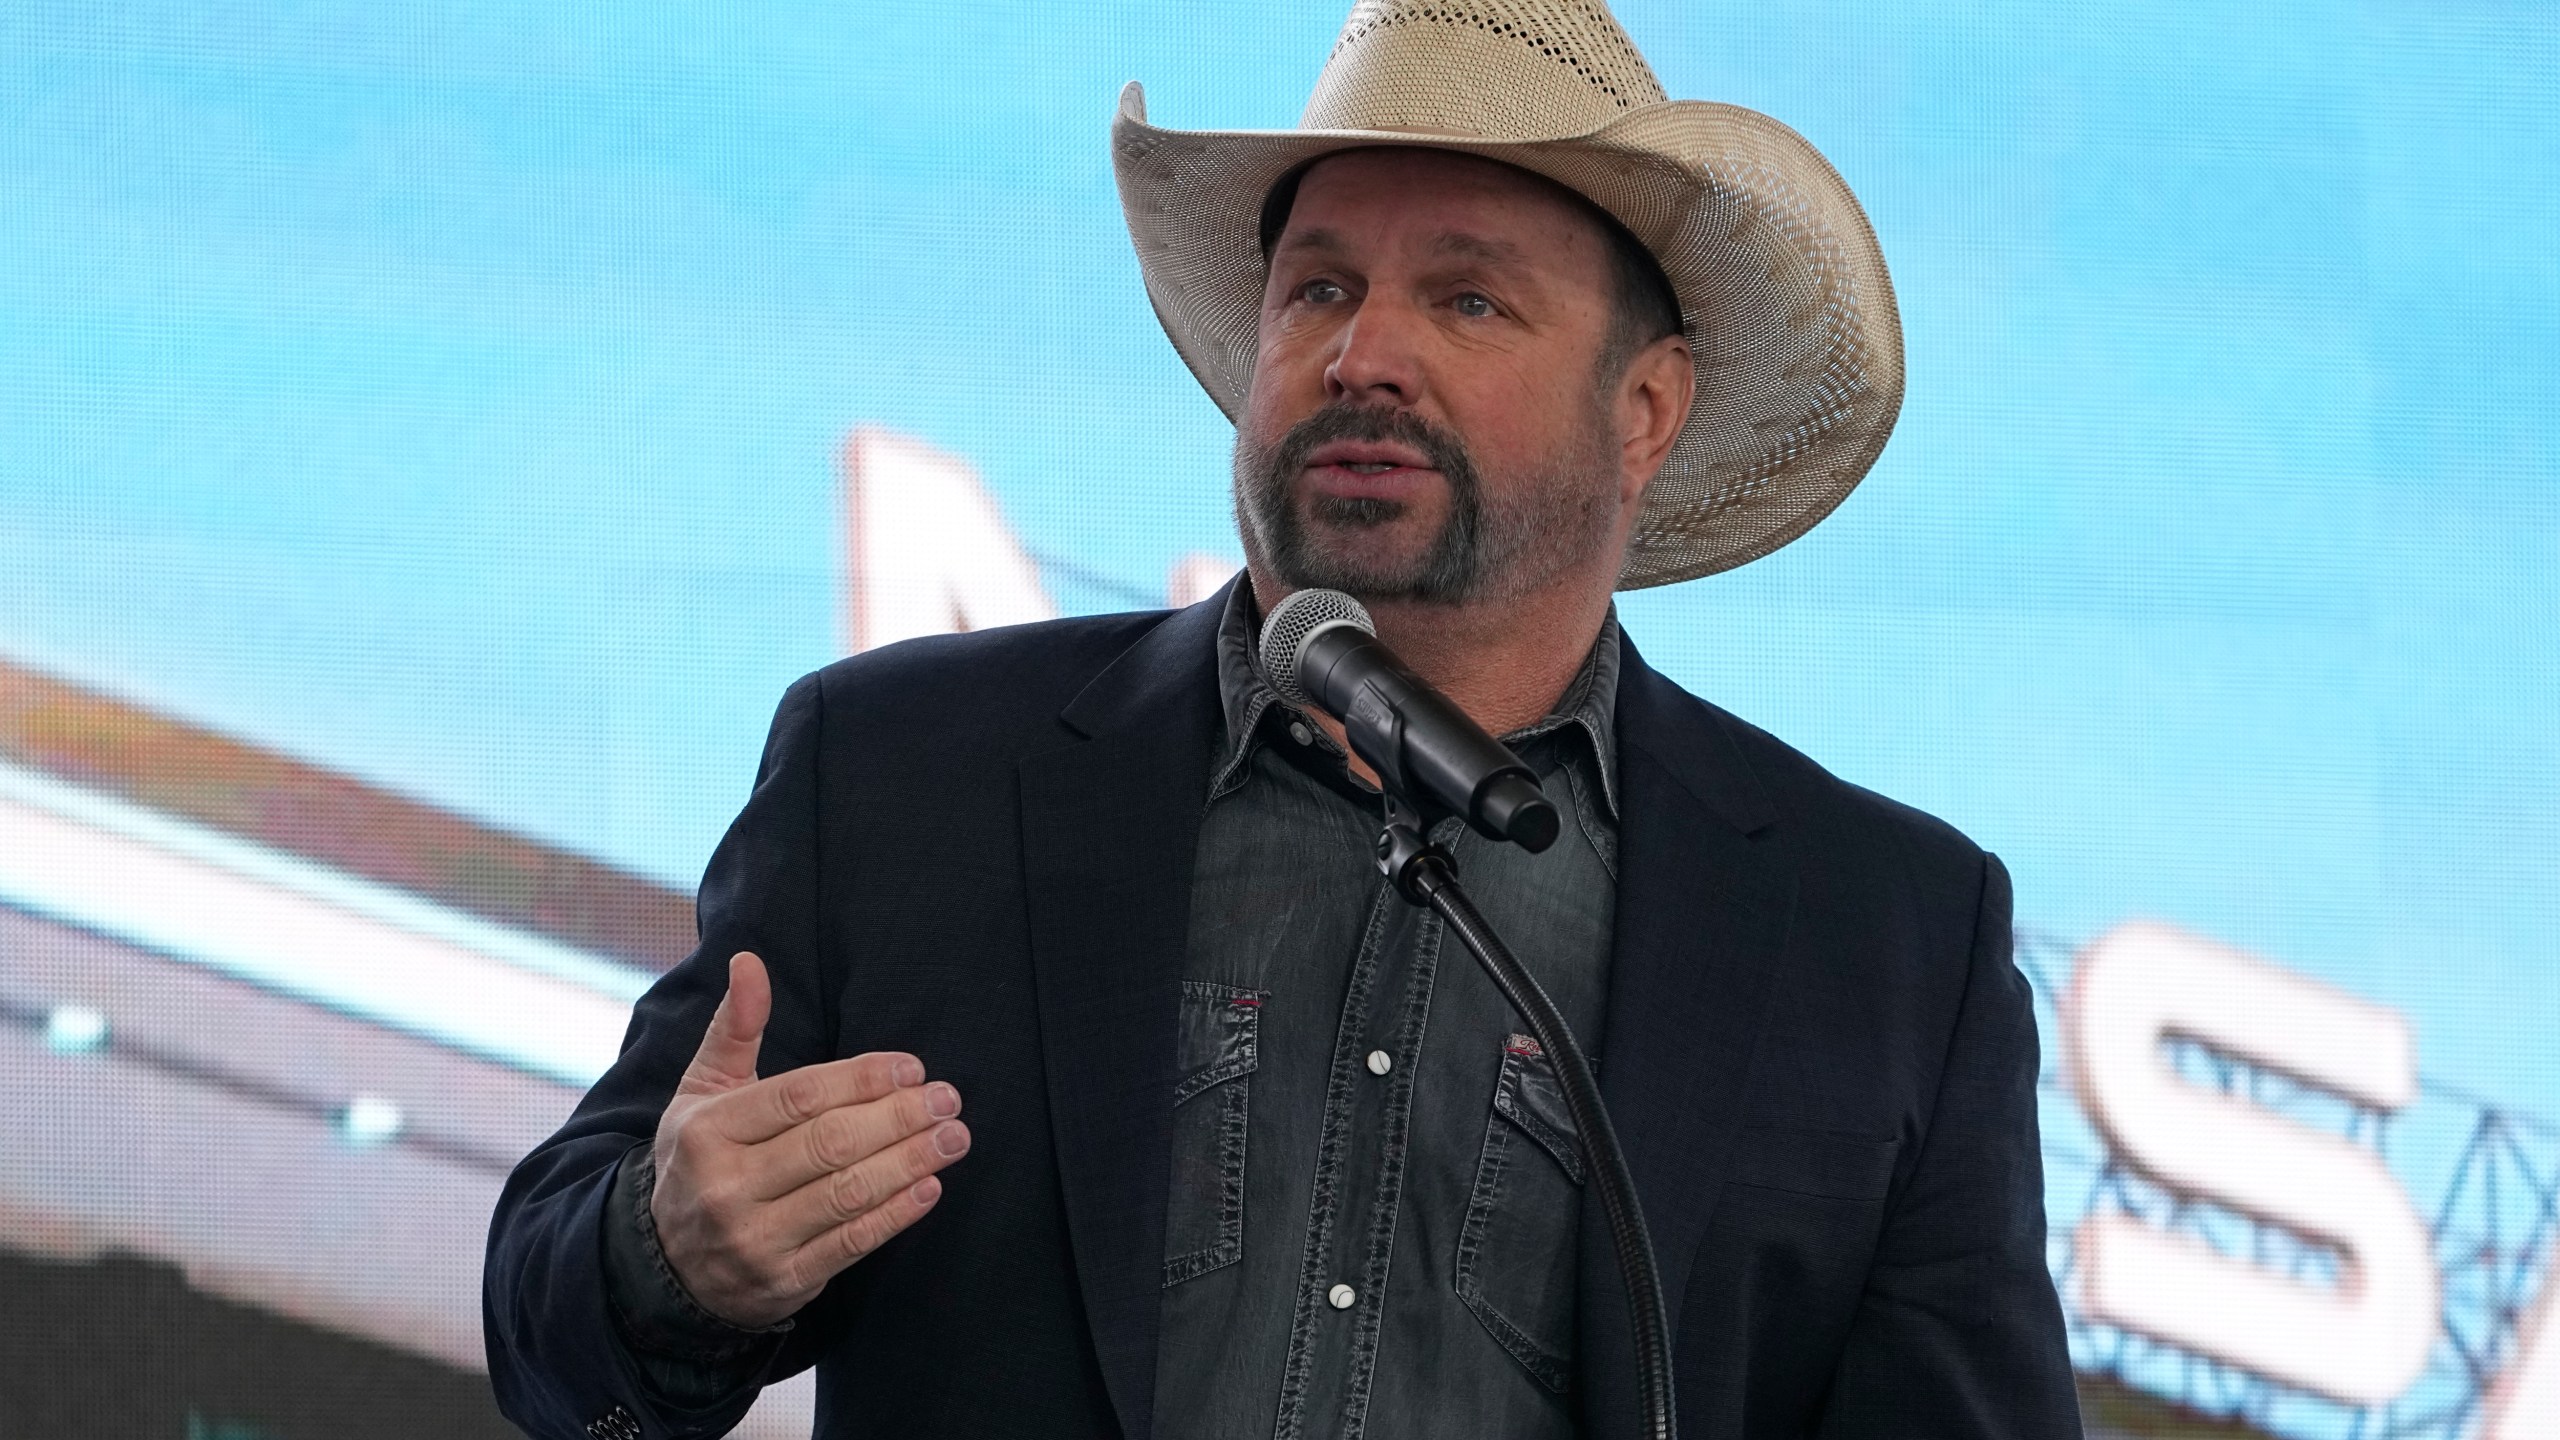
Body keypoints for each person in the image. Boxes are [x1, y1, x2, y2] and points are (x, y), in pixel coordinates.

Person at [483, 3, 2082, 1437]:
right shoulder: (906, 777)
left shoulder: (1885, 944)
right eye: (1319, 287)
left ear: (1645, 410)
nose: (1362, 353)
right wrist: (666, 1255)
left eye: (1468, 301)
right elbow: (551, 1330)